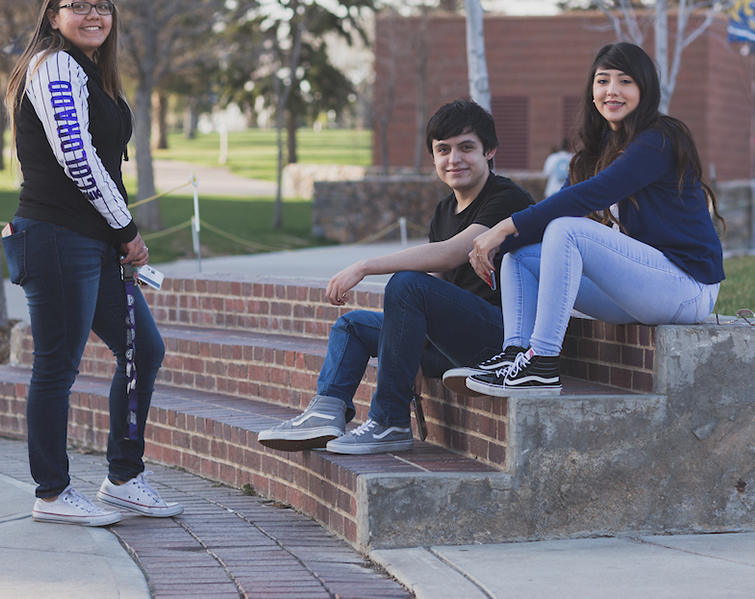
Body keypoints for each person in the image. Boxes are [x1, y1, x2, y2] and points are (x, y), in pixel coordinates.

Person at [2, 0, 183, 525]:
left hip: (91, 241)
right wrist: (126, 228)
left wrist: (113, 234)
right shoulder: (54, 64)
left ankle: (124, 478)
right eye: (77, 6)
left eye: (101, 5)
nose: (92, 15)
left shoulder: (92, 73)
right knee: (57, 366)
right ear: (52, 15)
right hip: (57, 237)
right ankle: (52, 493)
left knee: (143, 350)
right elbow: (77, 159)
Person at [258, 100, 534, 455]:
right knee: (353, 327)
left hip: (498, 342)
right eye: (443, 150)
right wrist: (412, 346)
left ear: (489, 151)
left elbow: (452, 253)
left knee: (405, 284)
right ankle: (326, 414)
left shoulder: (506, 198)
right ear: (433, 157)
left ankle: (389, 421)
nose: (454, 160)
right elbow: (435, 282)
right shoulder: (445, 209)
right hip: (450, 344)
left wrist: (364, 266)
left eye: (467, 148)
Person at [452, 42, 724, 398]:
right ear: (592, 92)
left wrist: (503, 228)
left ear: (645, 89)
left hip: (687, 288)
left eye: (625, 81)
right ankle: (516, 355)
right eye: (602, 81)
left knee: (568, 230)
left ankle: (543, 362)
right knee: (522, 257)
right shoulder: (594, 152)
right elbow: (556, 206)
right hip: (642, 288)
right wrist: (501, 245)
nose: (611, 90)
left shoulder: (659, 140)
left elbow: (586, 198)